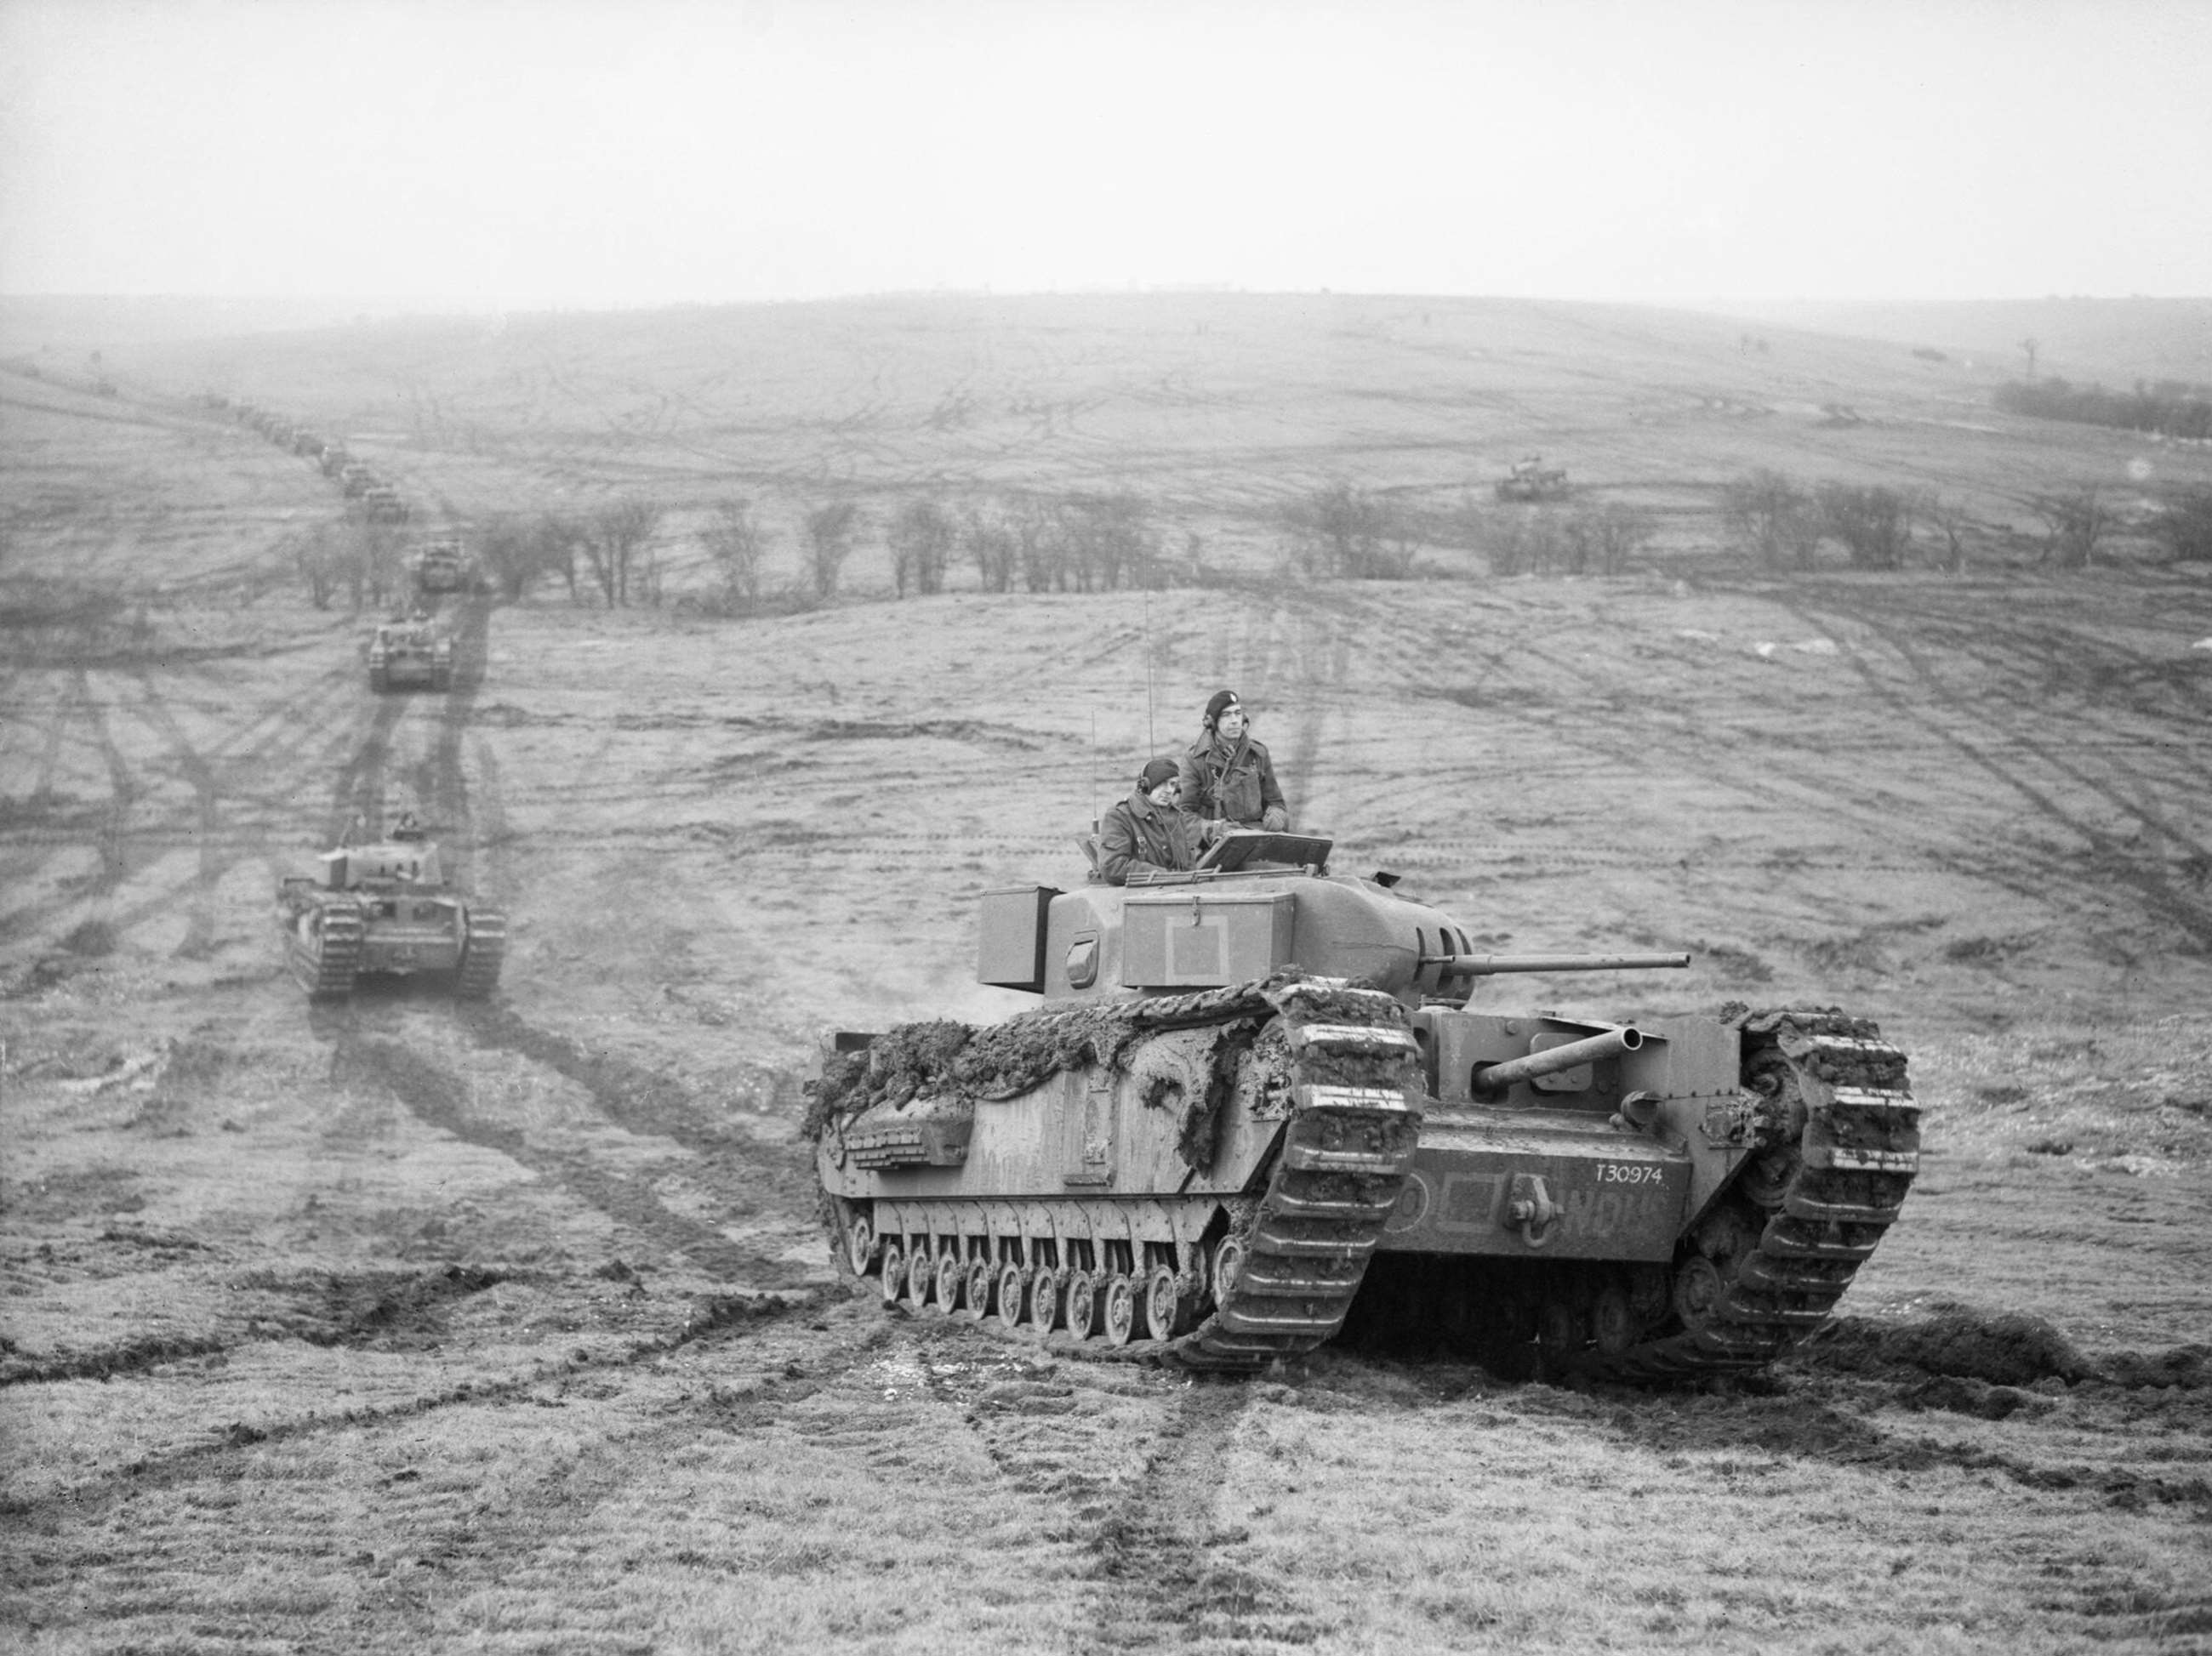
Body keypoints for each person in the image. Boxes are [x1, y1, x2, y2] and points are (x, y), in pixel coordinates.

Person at [1177, 691, 1288, 845]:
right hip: (1214, 843)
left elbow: (1276, 802)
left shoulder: (1257, 754)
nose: (1234, 721)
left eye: (1237, 713)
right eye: (1226, 715)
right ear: (1213, 722)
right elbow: (1182, 815)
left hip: (1255, 836)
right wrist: (1213, 828)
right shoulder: (1195, 760)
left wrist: (1277, 816)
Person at [1096, 759, 1197, 885]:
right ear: (1145, 786)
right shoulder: (1120, 816)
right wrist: (1164, 876)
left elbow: (1188, 864)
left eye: (1172, 784)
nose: (1169, 790)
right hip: (1138, 895)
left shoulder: (1176, 817)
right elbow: (1112, 866)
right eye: (1162, 783)